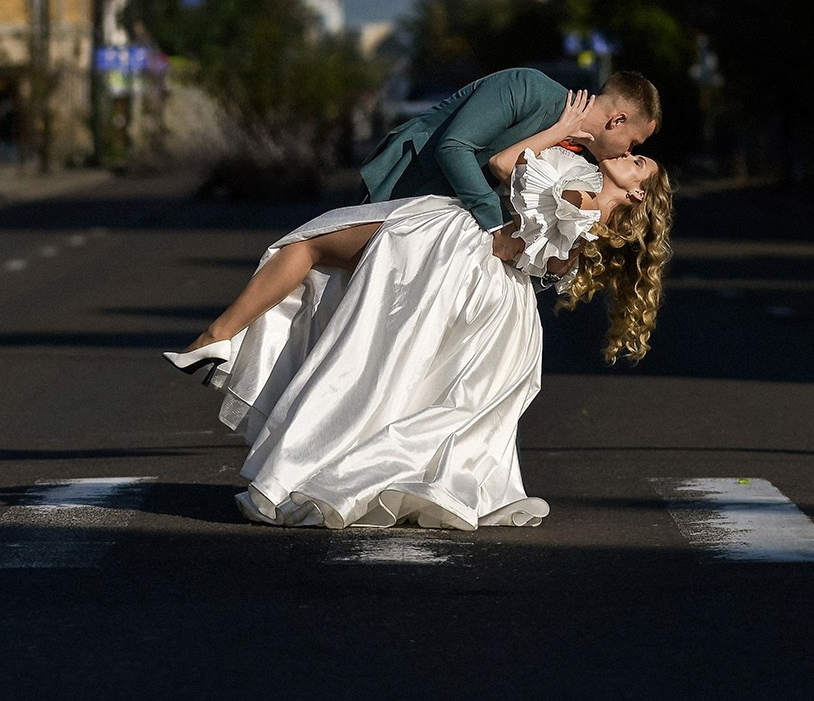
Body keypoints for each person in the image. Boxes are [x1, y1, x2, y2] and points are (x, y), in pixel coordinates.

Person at [164, 85, 673, 530]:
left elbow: (501, 167)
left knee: (335, 298)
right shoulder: (589, 219)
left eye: (638, 161)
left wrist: (559, 128)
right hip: (498, 291)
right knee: (405, 375)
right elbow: (544, 264)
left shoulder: (579, 195)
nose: (631, 154)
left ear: (632, 194)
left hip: (450, 244)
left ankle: (227, 355)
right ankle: (241, 366)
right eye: (637, 150)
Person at [360, 67, 660, 232]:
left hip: (440, 229)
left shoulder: (575, 159)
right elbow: (453, 148)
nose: (627, 152)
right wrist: (498, 225)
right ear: (617, 120)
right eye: (633, 143)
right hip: (398, 194)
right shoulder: (529, 88)